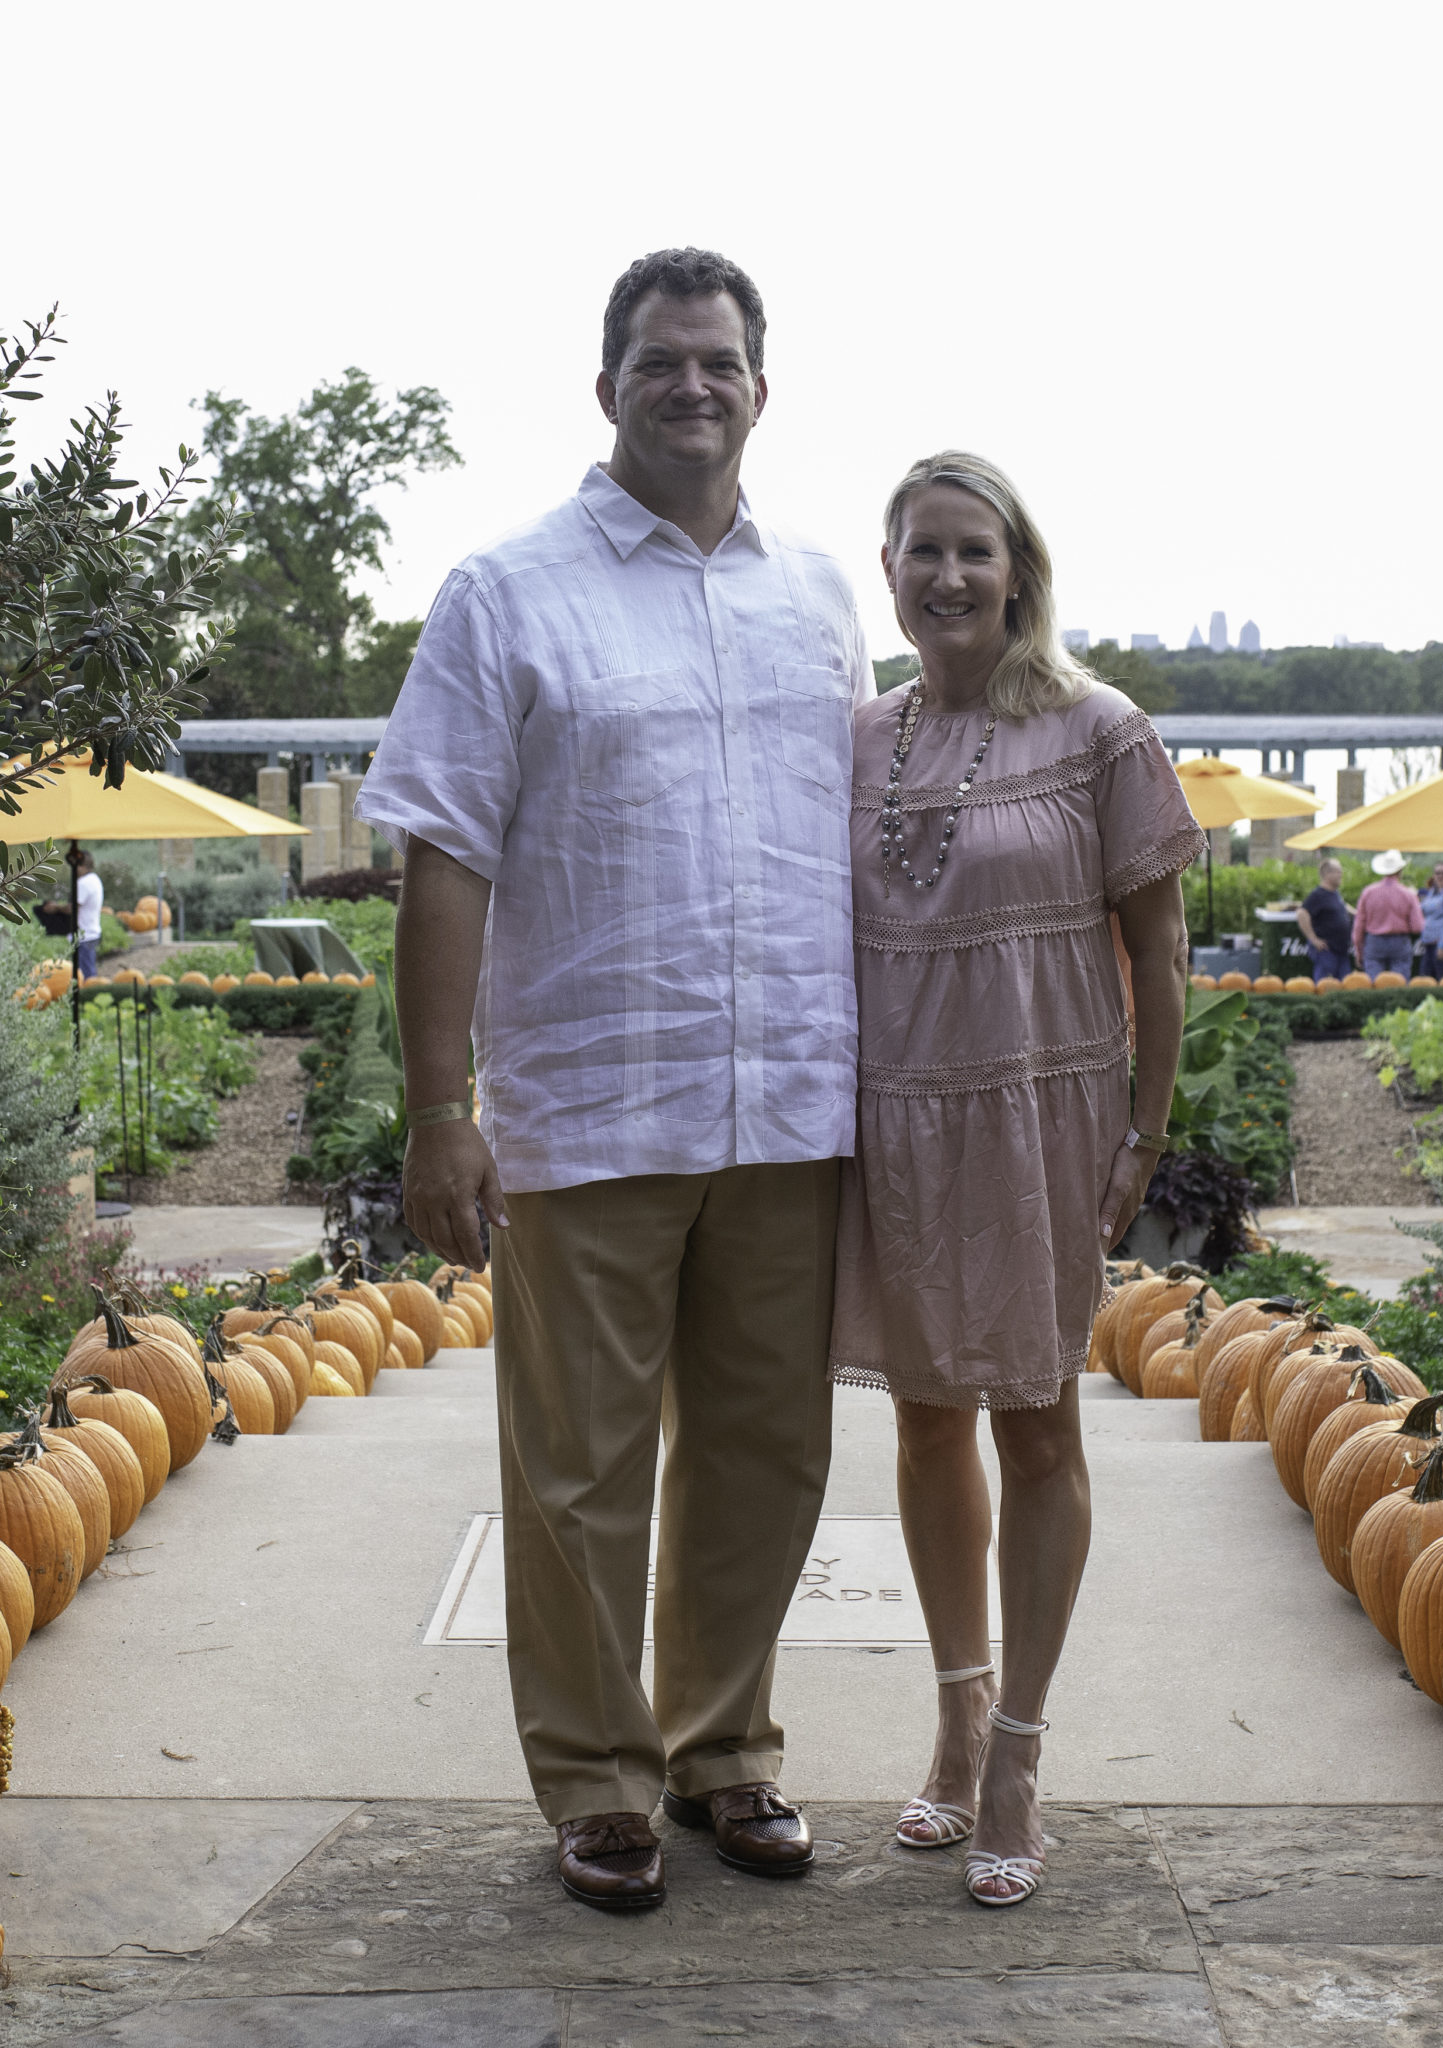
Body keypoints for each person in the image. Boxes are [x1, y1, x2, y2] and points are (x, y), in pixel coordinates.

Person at [356, 248, 871, 1912]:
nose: (692, 385)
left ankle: (724, 1749)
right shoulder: (508, 593)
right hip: (589, 1102)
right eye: (661, 360)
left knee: (763, 1448)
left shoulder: (815, 597)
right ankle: (595, 1776)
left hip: (787, 1098)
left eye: (718, 360)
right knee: (577, 1470)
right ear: (607, 388)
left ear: (759, 388)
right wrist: (443, 1107)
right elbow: (440, 853)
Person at [830, 452, 1199, 1909]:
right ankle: (953, 1712)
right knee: (925, 1430)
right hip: (897, 1129)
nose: (947, 578)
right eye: (922, 552)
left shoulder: (1101, 730)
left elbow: (1157, 956)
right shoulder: (857, 740)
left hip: (1041, 1123)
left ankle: (1018, 1755)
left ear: (1016, 566)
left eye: (972, 551)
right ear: (889, 572)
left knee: (1035, 1429)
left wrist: (1141, 1134)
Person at [1351, 850, 1422, 980]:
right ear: (1400, 870)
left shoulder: (1368, 892)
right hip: (1400, 941)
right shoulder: (1408, 894)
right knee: (1399, 983)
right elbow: (1417, 926)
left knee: (1374, 983)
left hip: (1374, 941)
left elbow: (1359, 925)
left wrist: (1359, 951)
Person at [1296, 858, 1353, 980]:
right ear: (1327, 874)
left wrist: (1358, 913)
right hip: (1327, 951)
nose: (1341, 874)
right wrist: (1313, 939)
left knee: (1345, 985)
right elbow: (1302, 913)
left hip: (1341, 950)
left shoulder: (1334, 894)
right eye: (1338, 871)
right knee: (1326, 985)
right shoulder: (1318, 895)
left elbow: (1343, 907)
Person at [1418, 862, 1443, 979]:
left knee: (1442, 981)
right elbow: (1422, 908)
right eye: (1438, 873)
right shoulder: (1433, 892)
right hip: (1429, 943)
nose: (1440, 876)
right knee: (1425, 979)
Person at [74, 851, 103, 981]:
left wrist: (55, 908)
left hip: (83, 935)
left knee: (85, 975)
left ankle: (87, 997)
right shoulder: (94, 879)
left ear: (81, 866)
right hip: (92, 932)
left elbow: (74, 907)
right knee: (88, 971)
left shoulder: (84, 883)